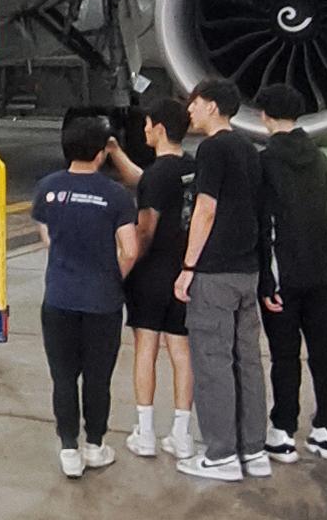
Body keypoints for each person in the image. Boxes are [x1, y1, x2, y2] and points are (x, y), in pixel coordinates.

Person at [173, 78, 272, 482]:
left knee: (213, 362)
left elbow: (206, 209)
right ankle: (254, 448)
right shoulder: (249, 149)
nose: (190, 110)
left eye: (194, 103)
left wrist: (188, 266)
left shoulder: (212, 149)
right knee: (247, 361)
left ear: (212, 106)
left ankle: (220, 454)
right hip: (247, 270)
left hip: (215, 272)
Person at [32, 116, 140, 478]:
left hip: (59, 297)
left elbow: (48, 237)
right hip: (102, 301)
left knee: (63, 377)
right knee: (97, 377)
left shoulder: (48, 188)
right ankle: (95, 445)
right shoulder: (116, 195)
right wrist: (112, 277)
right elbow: (130, 249)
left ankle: (68, 449)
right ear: (101, 153)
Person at [251, 85, 327, 464]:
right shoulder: (319, 158)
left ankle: (283, 431)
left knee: (284, 355)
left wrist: (265, 278)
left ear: (264, 115)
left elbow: (264, 224)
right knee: (323, 352)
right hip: (319, 271)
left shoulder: (265, 161)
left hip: (282, 273)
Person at [105, 98, 197, 460]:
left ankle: (145, 432)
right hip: (183, 272)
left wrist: (123, 268)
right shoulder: (190, 167)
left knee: (146, 349)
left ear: (158, 128)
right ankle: (181, 433)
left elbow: (144, 232)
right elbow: (144, 180)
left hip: (152, 275)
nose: (143, 130)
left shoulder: (157, 176)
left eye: (146, 125)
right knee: (181, 352)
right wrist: (116, 152)